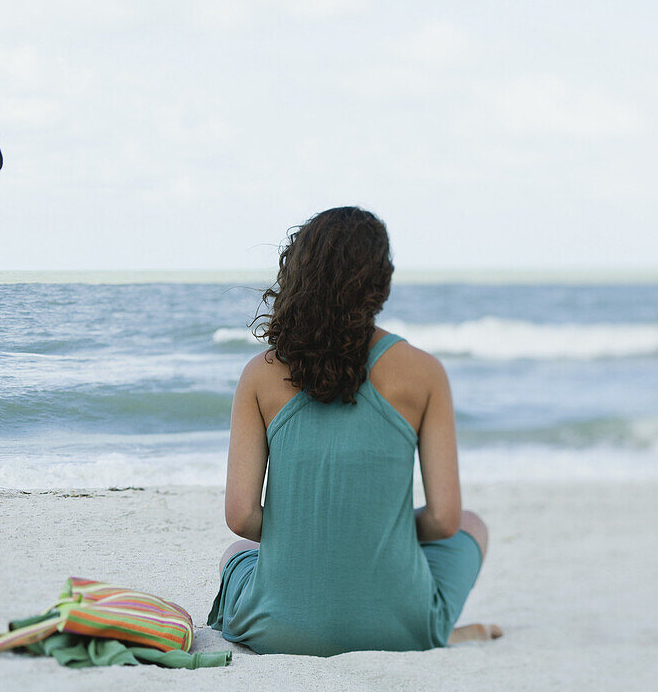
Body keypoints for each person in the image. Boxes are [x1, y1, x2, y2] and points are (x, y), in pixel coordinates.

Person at [208, 206, 502, 655]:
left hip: (279, 629)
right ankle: (442, 630)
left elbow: (241, 518)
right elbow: (444, 520)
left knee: (235, 555)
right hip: (397, 630)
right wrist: (371, 530)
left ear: (299, 274)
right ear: (381, 283)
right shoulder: (423, 373)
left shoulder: (259, 374)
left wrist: (318, 531)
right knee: (472, 524)